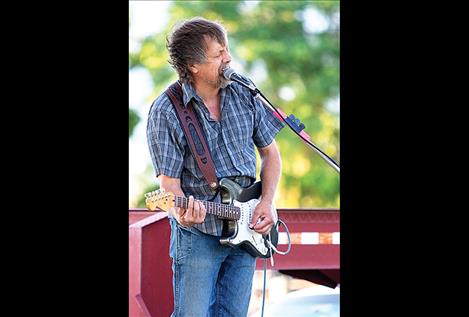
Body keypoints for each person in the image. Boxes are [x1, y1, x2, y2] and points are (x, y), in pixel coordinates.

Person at [146, 17, 284, 317]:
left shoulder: (244, 93)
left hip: (246, 230)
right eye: (218, 53)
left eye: (227, 49)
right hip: (198, 237)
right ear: (193, 65)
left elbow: (271, 154)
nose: (228, 58)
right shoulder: (166, 110)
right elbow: (169, 187)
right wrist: (182, 215)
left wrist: (267, 202)